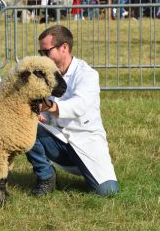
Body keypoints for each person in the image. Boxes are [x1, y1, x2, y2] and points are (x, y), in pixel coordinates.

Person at [26, 25, 119, 197]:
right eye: (41, 52)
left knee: (108, 192)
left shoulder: (88, 74)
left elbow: (80, 105)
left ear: (64, 48)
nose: (43, 57)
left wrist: (48, 107)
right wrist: (37, 114)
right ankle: (46, 176)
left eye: (46, 52)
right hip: (57, 139)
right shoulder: (43, 75)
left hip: (86, 142)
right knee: (24, 124)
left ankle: (87, 170)